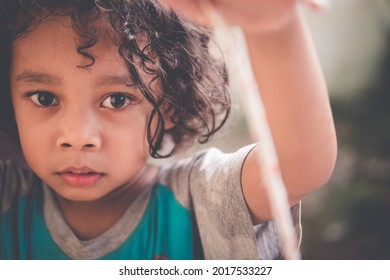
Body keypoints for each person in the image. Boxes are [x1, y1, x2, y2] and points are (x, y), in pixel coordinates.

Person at [0, 0, 337, 259]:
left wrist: (272, 26)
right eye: (44, 98)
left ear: (170, 103)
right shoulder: (8, 197)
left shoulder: (200, 199)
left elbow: (297, 167)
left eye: (117, 99)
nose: (76, 137)